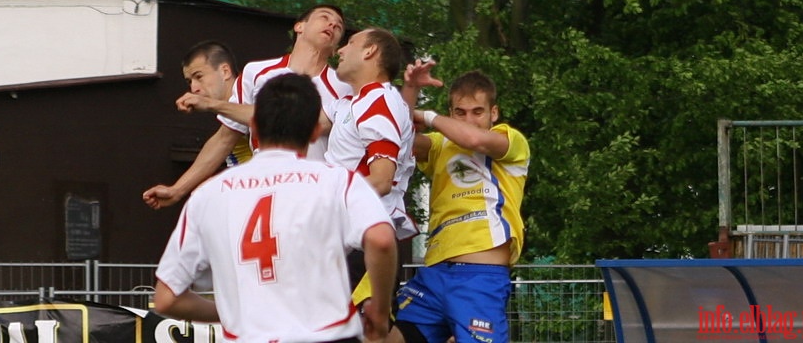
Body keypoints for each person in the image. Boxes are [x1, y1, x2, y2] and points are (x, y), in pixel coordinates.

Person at [153, 73, 398, 343]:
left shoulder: (208, 194)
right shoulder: (340, 181)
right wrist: (381, 311)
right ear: (315, 131)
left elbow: (165, 298)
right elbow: (381, 239)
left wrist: (231, 312)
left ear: (254, 126)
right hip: (326, 336)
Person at [142, 4, 351, 210]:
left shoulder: (345, 87)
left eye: (339, 25)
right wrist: (178, 189)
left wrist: (213, 104)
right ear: (299, 27)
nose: (333, 24)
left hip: (315, 196)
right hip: (265, 191)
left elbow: (301, 121)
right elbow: (225, 138)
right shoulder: (256, 72)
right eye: (324, 17)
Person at [387, 68, 531, 343]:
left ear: (494, 113)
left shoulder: (510, 141)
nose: (470, 120)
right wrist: (411, 90)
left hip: (479, 277)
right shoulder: (441, 145)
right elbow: (397, 138)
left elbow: (475, 139)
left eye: (478, 112)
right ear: (451, 113)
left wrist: (428, 116)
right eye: (460, 112)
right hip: (433, 272)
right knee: (386, 337)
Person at [323, 28, 417, 302]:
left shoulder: (380, 100)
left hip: (365, 243)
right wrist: (217, 104)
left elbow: (381, 180)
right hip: (347, 240)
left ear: (370, 51)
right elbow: (286, 125)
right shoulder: (350, 103)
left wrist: (322, 202)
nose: (340, 50)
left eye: (350, 43)